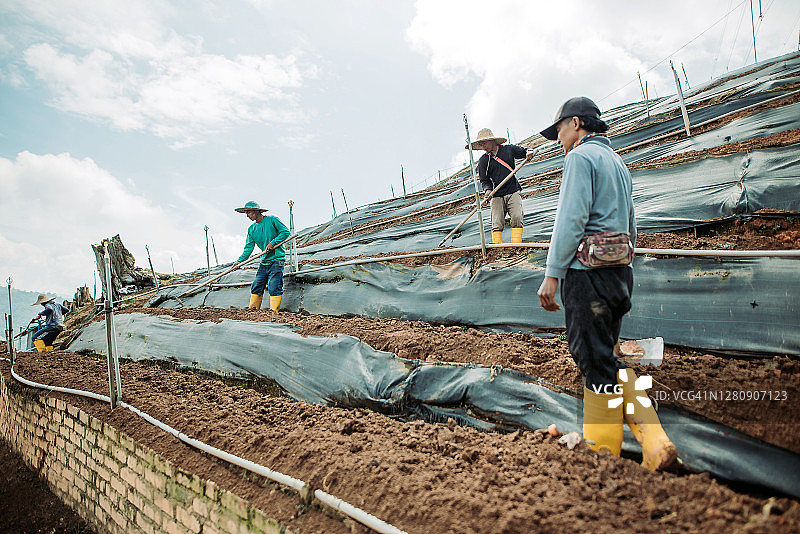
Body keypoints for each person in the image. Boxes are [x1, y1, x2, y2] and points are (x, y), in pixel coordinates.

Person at [536, 97, 677, 471]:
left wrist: (553, 273)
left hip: (588, 276)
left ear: (577, 123)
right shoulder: (617, 162)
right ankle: (654, 443)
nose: (559, 139)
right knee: (605, 357)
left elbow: (571, 219)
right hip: (618, 275)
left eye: (560, 130)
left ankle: (603, 456)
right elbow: (631, 221)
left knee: (593, 360)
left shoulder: (580, 159)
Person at [468, 128, 535, 244]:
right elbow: (484, 180)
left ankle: (516, 245)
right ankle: (498, 248)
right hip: (496, 194)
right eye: (480, 144)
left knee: (517, 217)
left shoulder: (508, 150)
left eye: (484, 143)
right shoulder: (483, 161)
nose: (483, 146)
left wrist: (529, 152)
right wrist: (488, 191)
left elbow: (524, 151)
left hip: (513, 190)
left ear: (492, 141)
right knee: (496, 222)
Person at [232, 201, 291, 312]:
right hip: (264, 261)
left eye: (248, 212)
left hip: (276, 259)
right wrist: (239, 261)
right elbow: (248, 248)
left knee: (274, 285)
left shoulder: (272, 220)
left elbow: (285, 232)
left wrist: (272, 243)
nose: (247, 215)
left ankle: (274, 312)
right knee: (257, 285)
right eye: (246, 213)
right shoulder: (251, 229)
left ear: (256, 211)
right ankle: (253, 311)